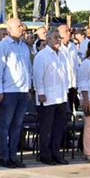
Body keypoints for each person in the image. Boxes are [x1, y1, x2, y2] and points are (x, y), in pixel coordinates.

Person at [0, 18, 32, 168]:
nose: (22, 28)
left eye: (21, 25)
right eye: (19, 25)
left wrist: (28, 88)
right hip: (9, 91)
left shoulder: (24, 46)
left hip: (22, 91)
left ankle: (13, 156)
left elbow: (28, 68)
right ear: (9, 29)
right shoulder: (2, 46)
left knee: (17, 125)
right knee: (6, 125)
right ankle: (4, 156)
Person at [33, 30, 69, 165]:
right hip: (47, 97)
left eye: (59, 37)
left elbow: (64, 75)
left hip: (60, 96)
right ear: (47, 39)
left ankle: (56, 153)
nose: (58, 40)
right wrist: (40, 93)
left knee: (58, 127)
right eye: (55, 37)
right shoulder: (42, 56)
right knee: (46, 128)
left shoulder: (62, 55)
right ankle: (45, 154)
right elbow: (38, 76)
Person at [58, 24, 80, 112]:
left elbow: (76, 65)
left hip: (73, 83)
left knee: (72, 106)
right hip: (62, 84)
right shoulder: (57, 48)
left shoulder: (73, 46)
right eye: (66, 31)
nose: (69, 33)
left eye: (69, 31)